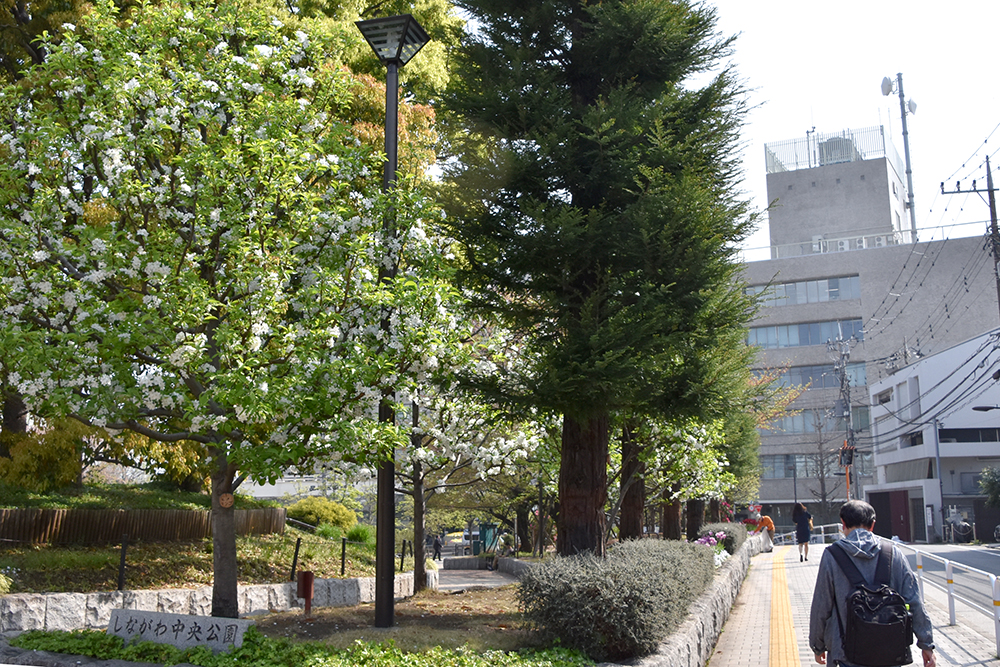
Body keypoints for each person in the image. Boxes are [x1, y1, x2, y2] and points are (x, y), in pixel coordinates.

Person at [809, 499, 935, 667]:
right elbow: (914, 601)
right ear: (873, 525)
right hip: (890, 652)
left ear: (843, 523)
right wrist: (926, 644)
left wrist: (818, 646)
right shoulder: (893, 554)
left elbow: (821, 605)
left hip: (846, 654)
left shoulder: (832, 555)